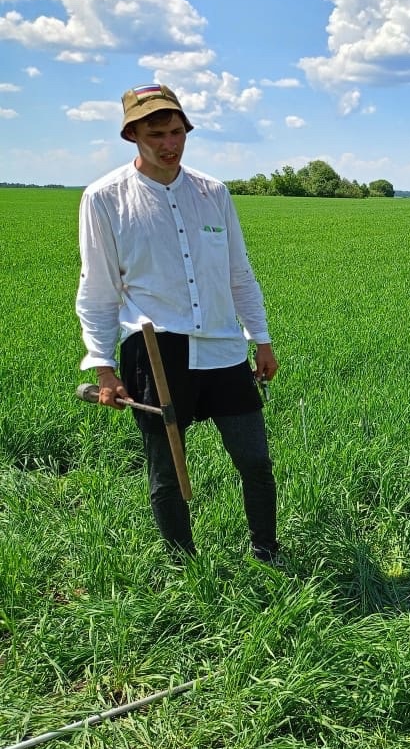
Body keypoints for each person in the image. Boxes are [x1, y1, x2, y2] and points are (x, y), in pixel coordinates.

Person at [75, 83, 281, 563]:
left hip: (224, 348)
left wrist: (262, 339)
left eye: (176, 132)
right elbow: (97, 289)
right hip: (155, 351)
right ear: (132, 136)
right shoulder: (104, 198)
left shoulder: (213, 193)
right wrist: (104, 366)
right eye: (156, 135)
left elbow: (239, 274)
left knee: (255, 460)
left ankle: (268, 551)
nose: (170, 145)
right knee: (167, 471)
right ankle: (183, 564)